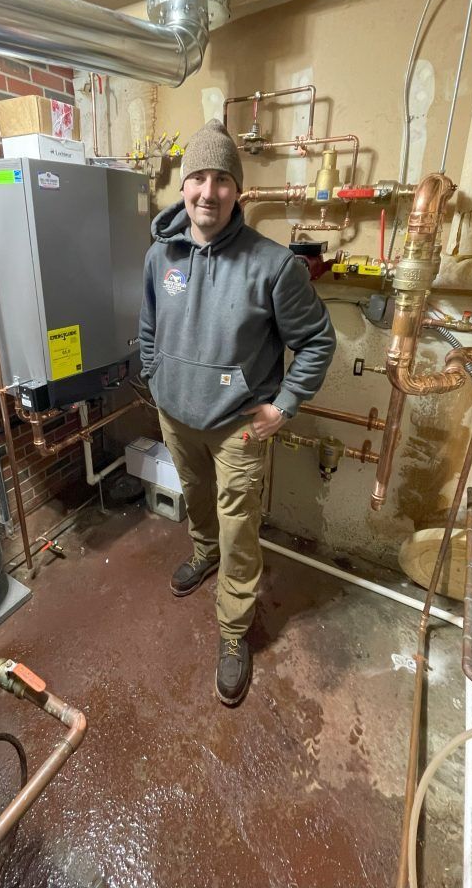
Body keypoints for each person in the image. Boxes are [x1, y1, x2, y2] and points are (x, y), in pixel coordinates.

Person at [139, 118, 336, 705]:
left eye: (220, 179)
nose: (207, 191)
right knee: (197, 500)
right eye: (197, 177)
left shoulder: (273, 266)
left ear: (237, 192)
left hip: (238, 427)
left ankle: (233, 632)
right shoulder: (159, 256)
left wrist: (284, 405)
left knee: (240, 528)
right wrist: (155, 376)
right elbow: (148, 326)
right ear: (183, 187)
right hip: (176, 415)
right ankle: (202, 555)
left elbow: (318, 341)